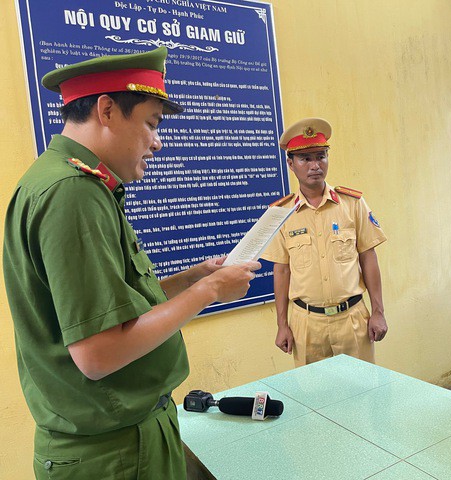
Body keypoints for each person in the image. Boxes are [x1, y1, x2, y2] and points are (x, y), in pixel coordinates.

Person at [3, 47, 260, 479]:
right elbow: (98, 354)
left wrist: (193, 277)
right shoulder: (72, 193)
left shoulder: (71, 182)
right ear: (106, 110)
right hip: (114, 455)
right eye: (151, 124)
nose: (157, 142)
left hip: (126, 439)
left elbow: (120, 306)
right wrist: (210, 291)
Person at [261, 118, 387, 367]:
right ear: (290, 164)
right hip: (306, 326)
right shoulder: (281, 213)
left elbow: (368, 258)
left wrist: (378, 312)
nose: (315, 165)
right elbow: (281, 270)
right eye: (305, 159)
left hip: (352, 321)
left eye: (321, 156)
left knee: (362, 394)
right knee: (315, 401)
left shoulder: (352, 204)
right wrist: (282, 325)